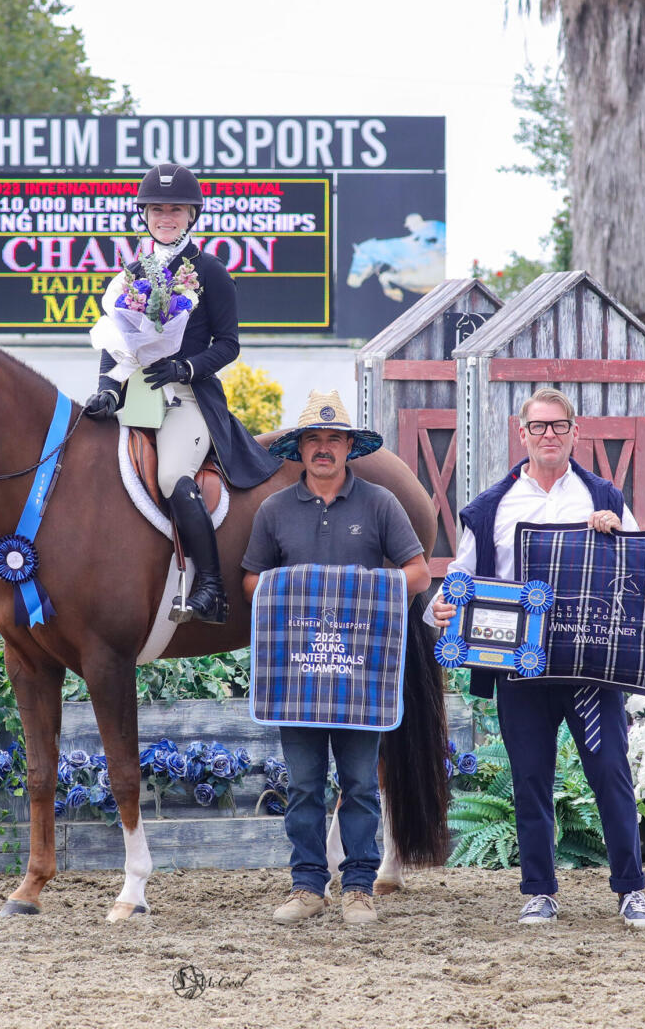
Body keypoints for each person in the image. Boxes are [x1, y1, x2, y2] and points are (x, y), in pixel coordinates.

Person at [429, 387, 645, 928]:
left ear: (575, 432)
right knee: (530, 777)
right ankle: (539, 891)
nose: (549, 436)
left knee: (610, 773)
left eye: (559, 427)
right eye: (539, 427)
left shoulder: (603, 495)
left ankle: (631, 889)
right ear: (522, 433)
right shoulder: (491, 507)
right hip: (518, 667)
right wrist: (441, 608)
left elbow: (638, 571)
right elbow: (463, 577)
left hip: (589, 665)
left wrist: (615, 533)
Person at [240, 391, 430, 925]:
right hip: (298, 670)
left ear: (350, 446)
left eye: (333, 439)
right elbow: (252, 581)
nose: (323, 449)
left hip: (361, 669)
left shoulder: (379, 503)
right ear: (299, 449)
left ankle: (360, 887)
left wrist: (360, 591)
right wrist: (299, 590)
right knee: (302, 783)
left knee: (361, 782)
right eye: (313, 440)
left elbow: (419, 574)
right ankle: (306, 886)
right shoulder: (273, 511)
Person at [83, 163, 282, 624]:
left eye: (175, 209)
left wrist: (187, 365)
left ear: (191, 215)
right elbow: (116, 344)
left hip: (187, 399)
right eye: (157, 209)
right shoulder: (129, 276)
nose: (165, 216)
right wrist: (106, 391)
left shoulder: (209, 271)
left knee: (173, 476)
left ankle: (211, 587)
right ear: (145, 214)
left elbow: (229, 344)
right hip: (137, 395)